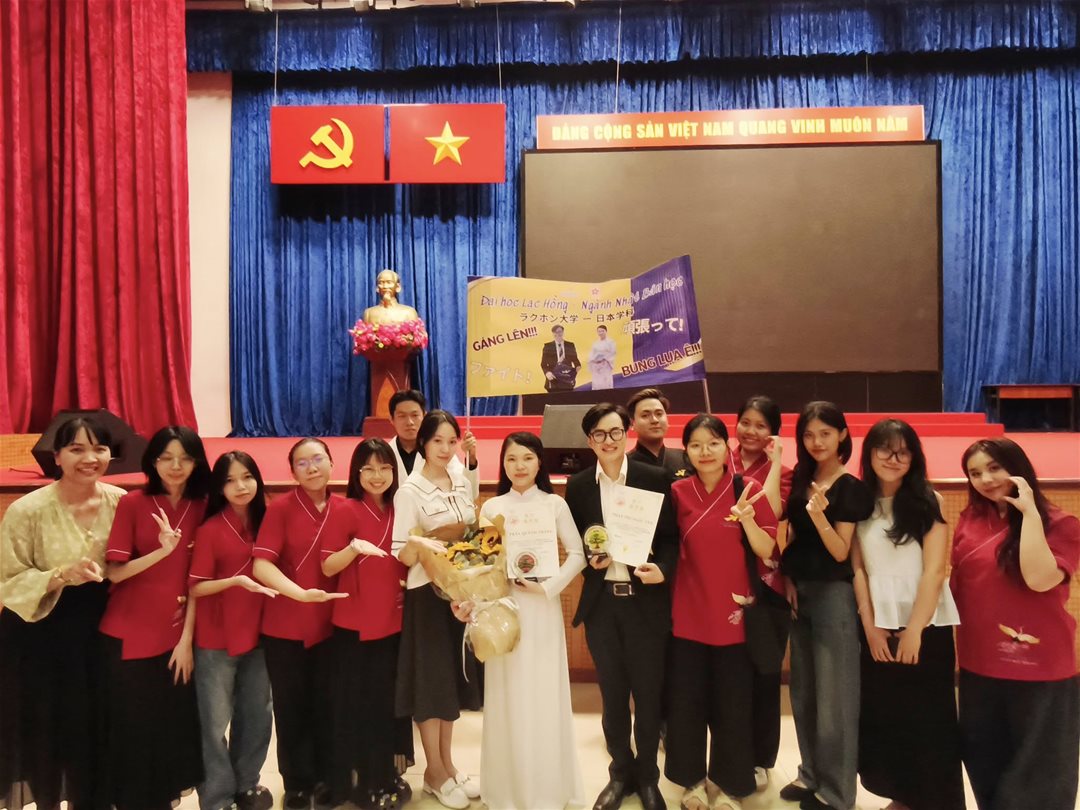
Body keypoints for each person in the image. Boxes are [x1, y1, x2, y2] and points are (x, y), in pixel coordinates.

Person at [0, 416, 124, 810]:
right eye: (76, 449)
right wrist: (60, 575)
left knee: (98, 725)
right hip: (42, 634)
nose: (90, 458)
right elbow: (8, 579)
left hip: (103, 631)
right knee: (50, 728)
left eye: (99, 449)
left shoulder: (121, 501)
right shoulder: (27, 510)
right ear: (57, 456)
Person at [951, 438, 1080, 810]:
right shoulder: (971, 518)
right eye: (975, 473)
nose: (986, 479)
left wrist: (1030, 516)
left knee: (1041, 772)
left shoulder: (1061, 523)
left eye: (995, 468)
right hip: (978, 661)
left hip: (1040, 666)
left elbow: (1039, 579)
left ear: (1018, 467)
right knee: (984, 761)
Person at [563, 403, 678, 810]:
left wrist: (663, 569)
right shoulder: (578, 486)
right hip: (602, 606)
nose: (608, 440)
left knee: (648, 696)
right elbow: (577, 541)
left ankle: (647, 777)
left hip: (645, 603)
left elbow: (671, 538)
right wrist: (589, 559)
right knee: (612, 697)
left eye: (615, 432)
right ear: (589, 440)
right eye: (599, 434)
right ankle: (619, 773)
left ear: (627, 433)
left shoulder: (654, 478)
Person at [665, 414, 779, 810]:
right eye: (695, 445)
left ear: (725, 446)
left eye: (713, 443)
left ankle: (731, 785)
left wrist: (747, 521)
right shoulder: (677, 491)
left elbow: (768, 549)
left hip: (736, 614)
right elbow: (664, 546)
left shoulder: (748, 489)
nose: (705, 452)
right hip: (688, 611)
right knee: (687, 704)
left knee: (734, 705)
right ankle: (692, 781)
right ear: (686, 451)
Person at [468, 432, 586, 810]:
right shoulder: (491, 507)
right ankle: (507, 790)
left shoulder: (554, 504)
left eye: (527, 458)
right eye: (511, 459)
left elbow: (578, 553)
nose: (519, 466)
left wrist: (547, 587)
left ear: (539, 462)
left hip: (542, 607)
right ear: (502, 464)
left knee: (543, 691)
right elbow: (483, 561)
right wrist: (482, 597)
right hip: (504, 608)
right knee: (507, 692)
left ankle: (547, 789)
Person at [851, 419, 963, 810]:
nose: (893, 458)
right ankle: (903, 797)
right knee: (888, 715)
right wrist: (870, 627)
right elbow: (858, 569)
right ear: (870, 454)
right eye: (885, 449)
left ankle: (935, 802)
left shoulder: (928, 500)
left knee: (929, 719)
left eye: (903, 451)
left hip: (925, 623)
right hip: (877, 625)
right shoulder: (859, 502)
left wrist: (915, 629)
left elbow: (934, 571)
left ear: (914, 457)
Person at [99, 425, 212, 810]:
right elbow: (115, 573)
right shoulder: (133, 503)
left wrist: (186, 641)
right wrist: (161, 552)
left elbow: (197, 581)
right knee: (133, 725)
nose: (175, 466)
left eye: (185, 458)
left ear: (196, 463)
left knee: (169, 726)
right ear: (153, 461)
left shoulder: (203, 507)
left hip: (175, 637)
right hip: (129, 632)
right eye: (166, 458)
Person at [779, 402, 874, 810]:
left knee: (836, 696)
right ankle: (810, 774)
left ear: (842, 435)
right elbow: (790, 538)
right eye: (808, 434)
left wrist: (819, 516)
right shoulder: (802, 478)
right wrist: (787, 579)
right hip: (800, 592)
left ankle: (837, 793)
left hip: (834, 595)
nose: (816, 442)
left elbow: (839, 552)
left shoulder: (850, 487)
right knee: (804, 691)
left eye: (825, 433)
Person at [252, 438, 352, 810]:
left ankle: (328, 777)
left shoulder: (346, 508)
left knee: (330, 705)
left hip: (333, 625)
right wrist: (299, 594)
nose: (311, 468)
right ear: (292, 471)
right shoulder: (280, 509)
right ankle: (296, 783)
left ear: (332, 463)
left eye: (318, 459)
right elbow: (261, 564)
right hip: (286, 625)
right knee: (291, 707)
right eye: (302, 462)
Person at [392, 411, 482, 810]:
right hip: (427, 596)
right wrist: (424, 545)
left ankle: (448, 764)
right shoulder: (410, 491)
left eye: (451, 441)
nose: (445, 449)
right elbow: (401, 552)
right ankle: (434, 772)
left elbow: (471, 530)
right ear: (424, 444)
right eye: (437, 441)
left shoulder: (459, 481)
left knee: (450, 682)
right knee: (431, 684)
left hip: (458, 592)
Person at [321, 438, 410, 810]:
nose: (377, 476)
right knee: (355, 706)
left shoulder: (401, 507)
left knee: (386, 705)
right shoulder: (345, 509)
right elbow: (327, 566)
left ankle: (384, 775)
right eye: (368, 469)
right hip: (354, 626)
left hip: (394, 621)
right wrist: (353, 548)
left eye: (384, 467)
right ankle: (357, 781)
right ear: (356, 473)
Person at [189, 451, 277, 810]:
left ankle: (247, 784)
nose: (240, 486)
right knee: (214, 723)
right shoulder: (210, 529)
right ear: (219, 488)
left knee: (257, 715)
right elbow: (196, 586)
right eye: (229, 480)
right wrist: (235, 581)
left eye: (247, 477)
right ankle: (217, 795)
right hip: (217, 637)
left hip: (261, 633)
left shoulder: (269, 521)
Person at [730, 395, 792, 791]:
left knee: (764, 674)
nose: (751, 431)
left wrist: (776, 460)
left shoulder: (783, 473)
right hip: (723, 582)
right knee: (728, 677)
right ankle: (730, 753)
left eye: (761, 425)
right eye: (745, 422)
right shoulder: (720, 461)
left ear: (773, 432)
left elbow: (772, 510)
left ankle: (760, 758)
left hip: (766, 586)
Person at [386, 390, 479, 499]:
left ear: (424, 416)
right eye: (402, 416)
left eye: (415, 415)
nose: (409, 422)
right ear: (391, 419)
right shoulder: (385, 454)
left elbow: (469, 493)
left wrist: (471, 461)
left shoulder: (440, 451)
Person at [626, 387, 689, 479]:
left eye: (659, 414)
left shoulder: (686, 458)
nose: (654, 420)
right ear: (632, 424)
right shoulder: (625, 464)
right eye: (645, 415)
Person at [540, 324, 581, 392]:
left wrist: (575, 371)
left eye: (560, 331)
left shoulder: (570, 345)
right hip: (553, 379)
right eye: (555, 332)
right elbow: (543, 364)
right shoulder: (548, 346)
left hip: (567, 379)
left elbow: (576, 361)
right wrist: (547, 373)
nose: (558, 334)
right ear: (553, 333)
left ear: (563, 332)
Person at [587, 325, 617, 390]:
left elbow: (613, 353)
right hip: (596, 367)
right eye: (599, 331)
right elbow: (591, 354)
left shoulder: (610, 342)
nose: (600, 333)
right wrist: (593, 360)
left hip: (605, 365)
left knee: (606, 384)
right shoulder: (595, 343)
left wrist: (603, 357)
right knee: (597, 384)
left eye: (602, 331)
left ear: (606, 331)